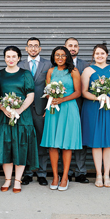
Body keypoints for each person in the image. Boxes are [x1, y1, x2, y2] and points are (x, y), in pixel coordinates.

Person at [0, 46, 39, 193]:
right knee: (5, 147)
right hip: (3, 117)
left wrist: (19, 110)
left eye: (13, 56)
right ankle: (7, 179)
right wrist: (4, 109)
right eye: (8, 56)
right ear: (4, 58)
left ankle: (18, 180)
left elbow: (30, 95)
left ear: (19, 58)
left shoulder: (25, 74)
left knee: (21, 147)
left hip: (22, 117)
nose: (10, 59)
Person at [81, 44, 110, 188]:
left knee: (109, 142)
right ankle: (98, 175)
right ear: (93, 56)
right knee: (96, 142)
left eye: (102, 53)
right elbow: (84, 91)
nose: (99, 56)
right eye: (97, 53)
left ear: (107, 55)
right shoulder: (87, 70)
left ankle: (107, 174)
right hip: (93, 108)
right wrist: (98, 98)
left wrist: (107, 99)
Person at [41, 46, 84, 191]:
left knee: (66, 144)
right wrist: (51, 96)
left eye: (63, 55)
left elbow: (78, 92)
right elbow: (47, 91)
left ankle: (65, 176)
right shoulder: (51, 71)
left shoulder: (73, 71)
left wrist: (62, 99)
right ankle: (55, 176)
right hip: (53, 109)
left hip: (68, 109)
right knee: (53, 144)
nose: (60, 57)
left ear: (67, 57)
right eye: (57, 55)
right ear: (53, 57)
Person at [18, 37, 52, 186]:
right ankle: (27, 173)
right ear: (26, 48)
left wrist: (49, 107)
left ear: (40, 49)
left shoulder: (48, 64)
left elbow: (53, 86)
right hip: (23, 109)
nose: (33, 48)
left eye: (36, 46)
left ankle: (42, 173)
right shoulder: (19, 64)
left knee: (41, 142)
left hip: (41, 109)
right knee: (24, 141)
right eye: (30, 46)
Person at [65, 37, 90, 183]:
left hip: (81, 107)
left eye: (75, 46)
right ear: (65, 47)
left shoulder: (86, 66)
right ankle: (66, 171)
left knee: (80, 139)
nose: (73, 48)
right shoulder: (56, 64)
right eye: (70, 45)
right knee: (64, 138)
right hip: (63, 108)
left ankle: (81, 172)